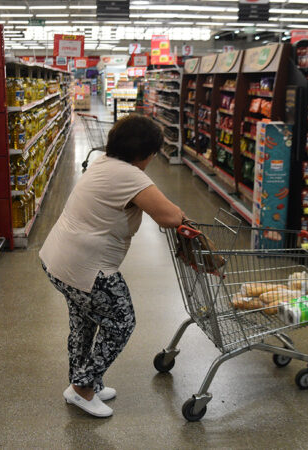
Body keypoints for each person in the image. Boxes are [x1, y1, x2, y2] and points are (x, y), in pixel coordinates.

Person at [39, 115, 185, 418]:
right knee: (121, 322)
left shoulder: (104, 162)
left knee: (84, 323)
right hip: (86, 267)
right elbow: (170, 217)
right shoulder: (130, 175)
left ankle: (82, 382)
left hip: (59, 260)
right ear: (146, 155)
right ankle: (82, 388)